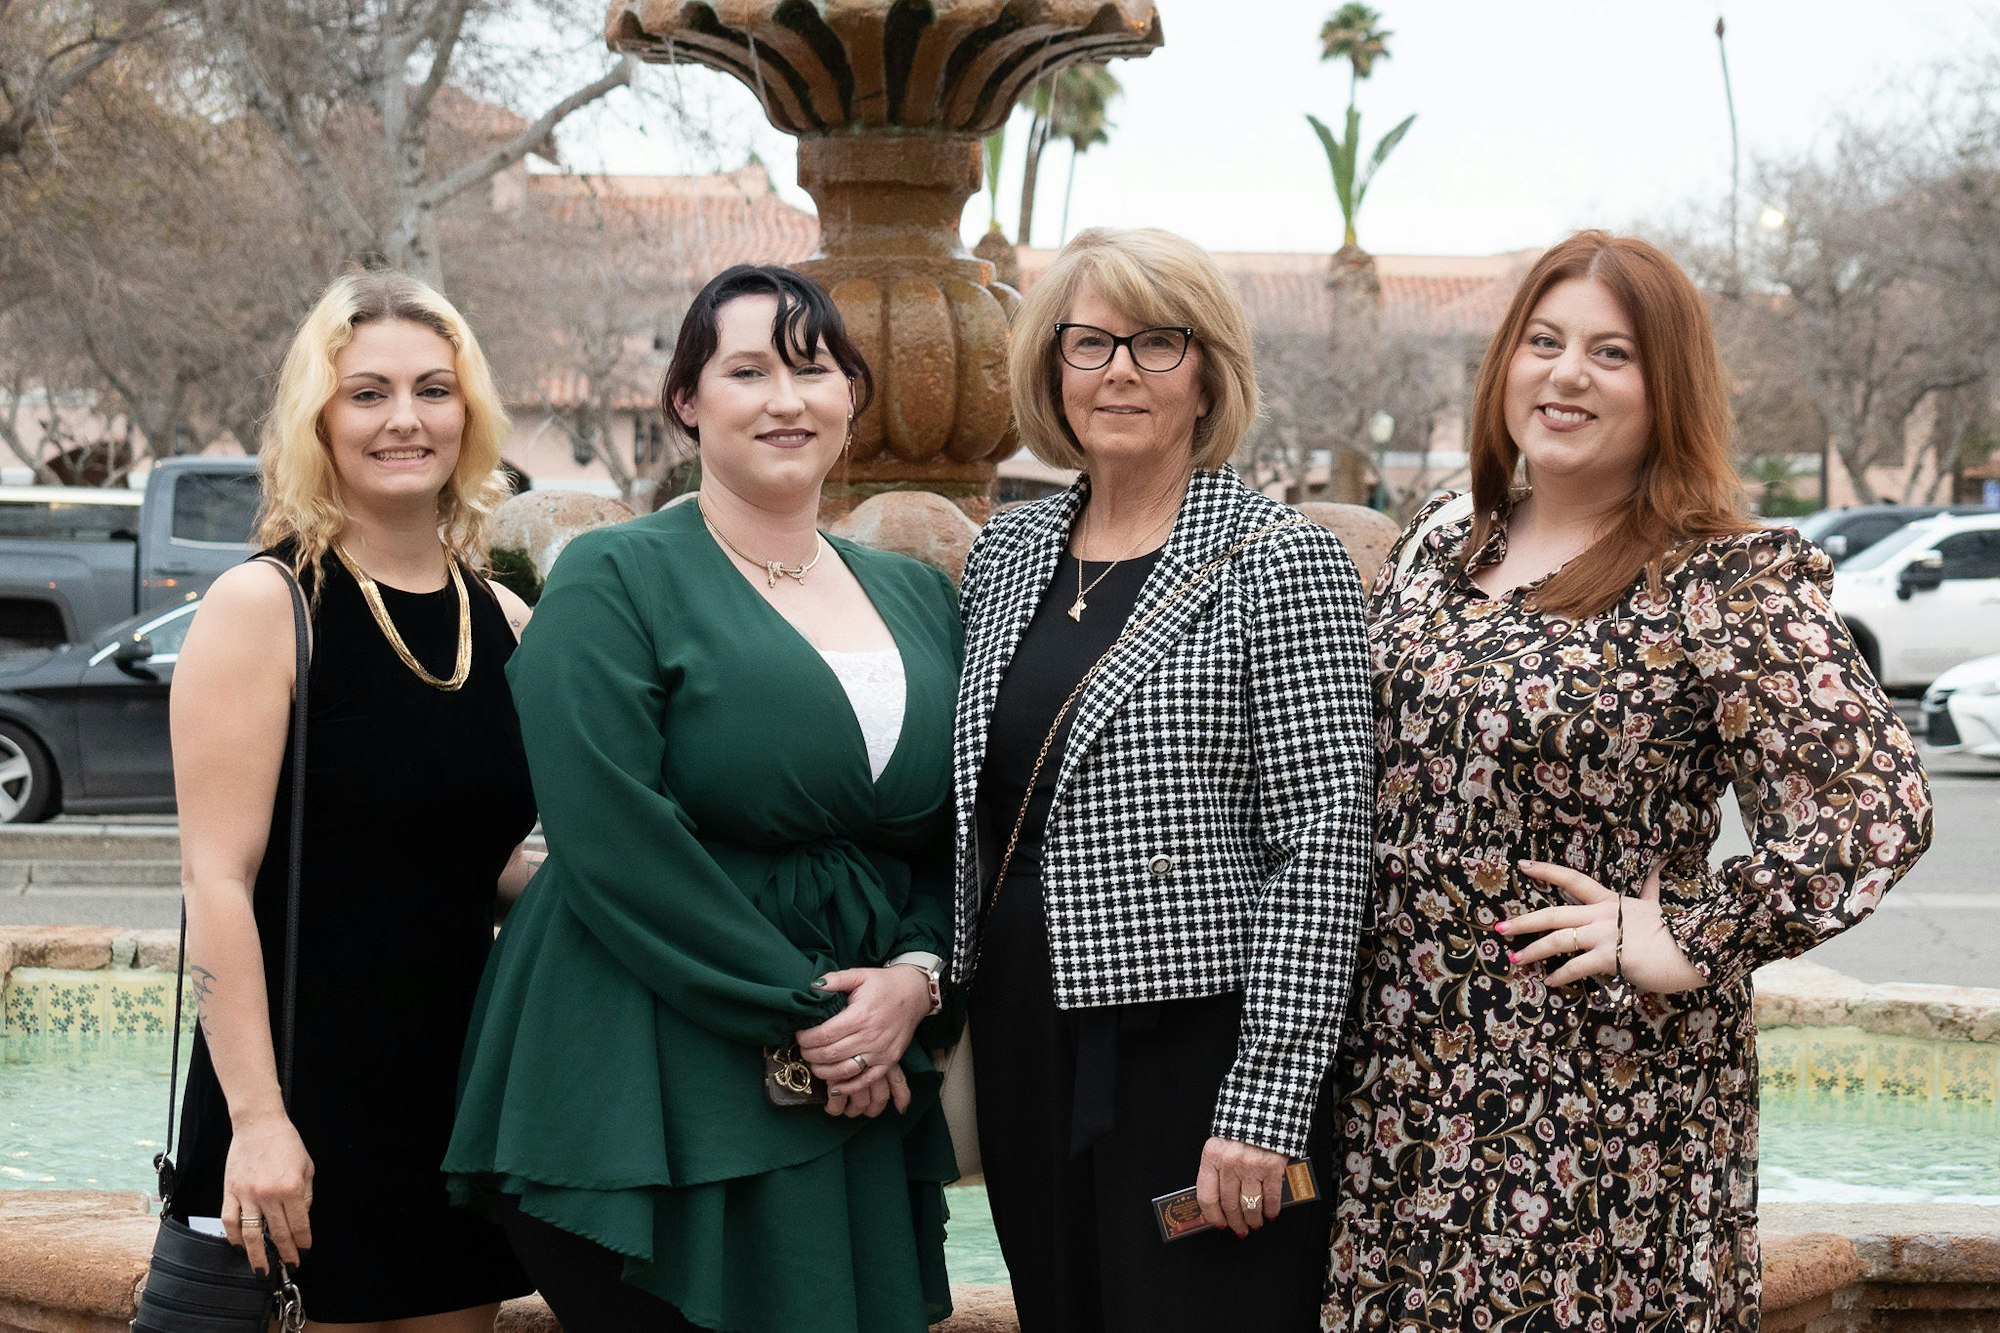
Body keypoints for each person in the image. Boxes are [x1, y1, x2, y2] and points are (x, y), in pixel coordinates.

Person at [1321, 230, 1934, 1331]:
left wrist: (1689, 932)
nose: (1563, 374)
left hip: (1593, 1099)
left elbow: (1875, 801)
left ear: (1667, 390)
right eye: (1542, 341)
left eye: (1610, 354)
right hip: (1394, 1076)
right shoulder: (1434, 544)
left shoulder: (1716, 580)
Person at [444, 264, 962, 1333]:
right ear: (687, 400)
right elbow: (610, 831)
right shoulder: (613, 575)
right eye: (747, 370)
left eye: (813, 370)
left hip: (862, 1054)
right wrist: (813, 1016)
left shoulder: (914, 594)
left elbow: (956, 829)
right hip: (645, 1055)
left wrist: (912, 979)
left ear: (850, 398)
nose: (786, 399)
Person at [950, 226, 1375, 1330]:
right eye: (1087, 343)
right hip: (1023, 1030)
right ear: (1051, 369)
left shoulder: (1278, 558)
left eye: (1155, 342)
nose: (1119, 370)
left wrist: (1268, 1101)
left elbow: (1323, 841)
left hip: (1196, 1056)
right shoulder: (1006, 553)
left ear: (1206, 373)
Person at [168, 269, 538, 1330]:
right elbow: (217, 879)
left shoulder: (502, 615)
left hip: (457, 1090)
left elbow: (457, 848)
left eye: (433, 388)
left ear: (468, 413)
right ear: (317, 418)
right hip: (301, 1098)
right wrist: (259, 1120)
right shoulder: (264, 604)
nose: (404, 419)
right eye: (367, 392)